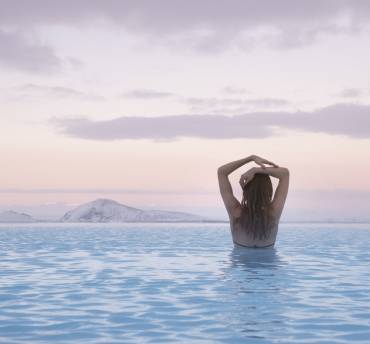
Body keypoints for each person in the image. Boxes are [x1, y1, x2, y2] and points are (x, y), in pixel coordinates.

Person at [217, 155, 289, 248]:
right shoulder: (273, 213)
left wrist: (251, 158)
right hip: (269, 261)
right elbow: (285, 174)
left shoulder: (235, 211)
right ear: (268, 190)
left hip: (240, 261)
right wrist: (256, 169)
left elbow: (221, 172)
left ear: (246, 188)